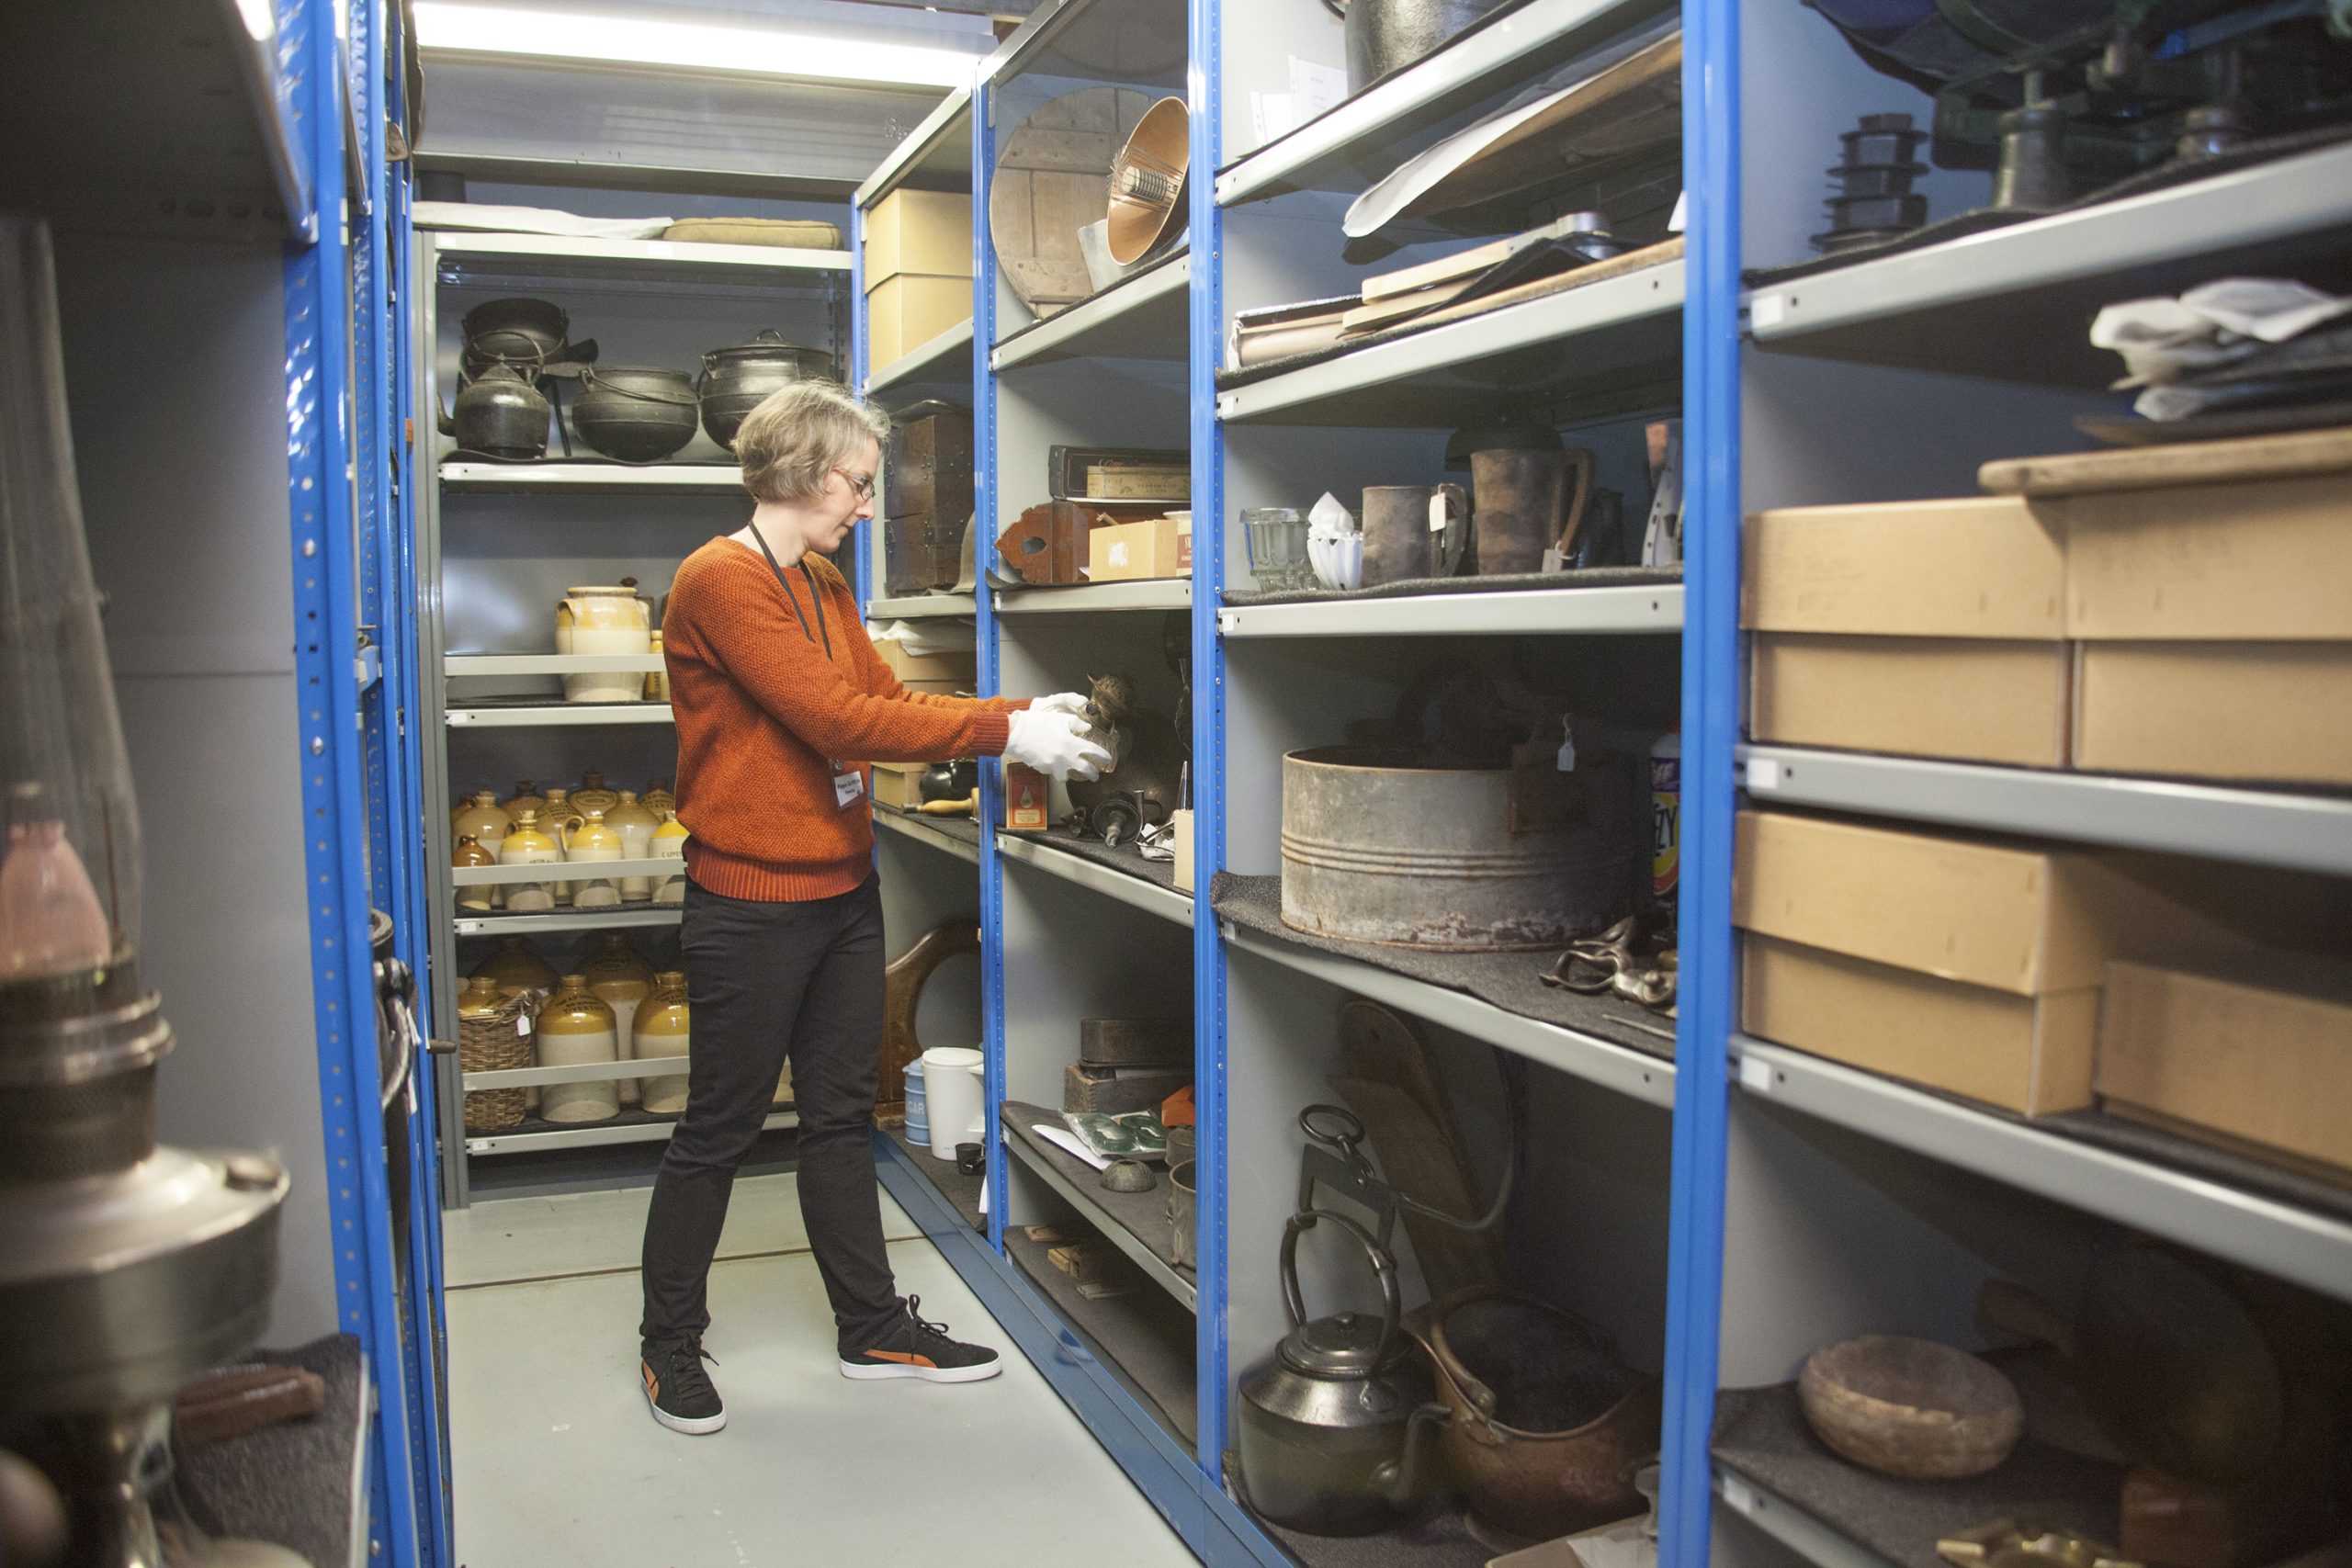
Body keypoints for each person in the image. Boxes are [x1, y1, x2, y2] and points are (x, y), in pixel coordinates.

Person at [635, 380, 1110, 1436]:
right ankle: (669, 1343)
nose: (864, 504)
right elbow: (827, 717)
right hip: (749, 905)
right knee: (718, 1128)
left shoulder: (824, 584)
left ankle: (870, 1326)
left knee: (842, 1120)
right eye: (857, 482)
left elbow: (884, 703)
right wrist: (1002, 738)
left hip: (842, 895)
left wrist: (1017, 711)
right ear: (804, 472)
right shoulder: (720, 580)